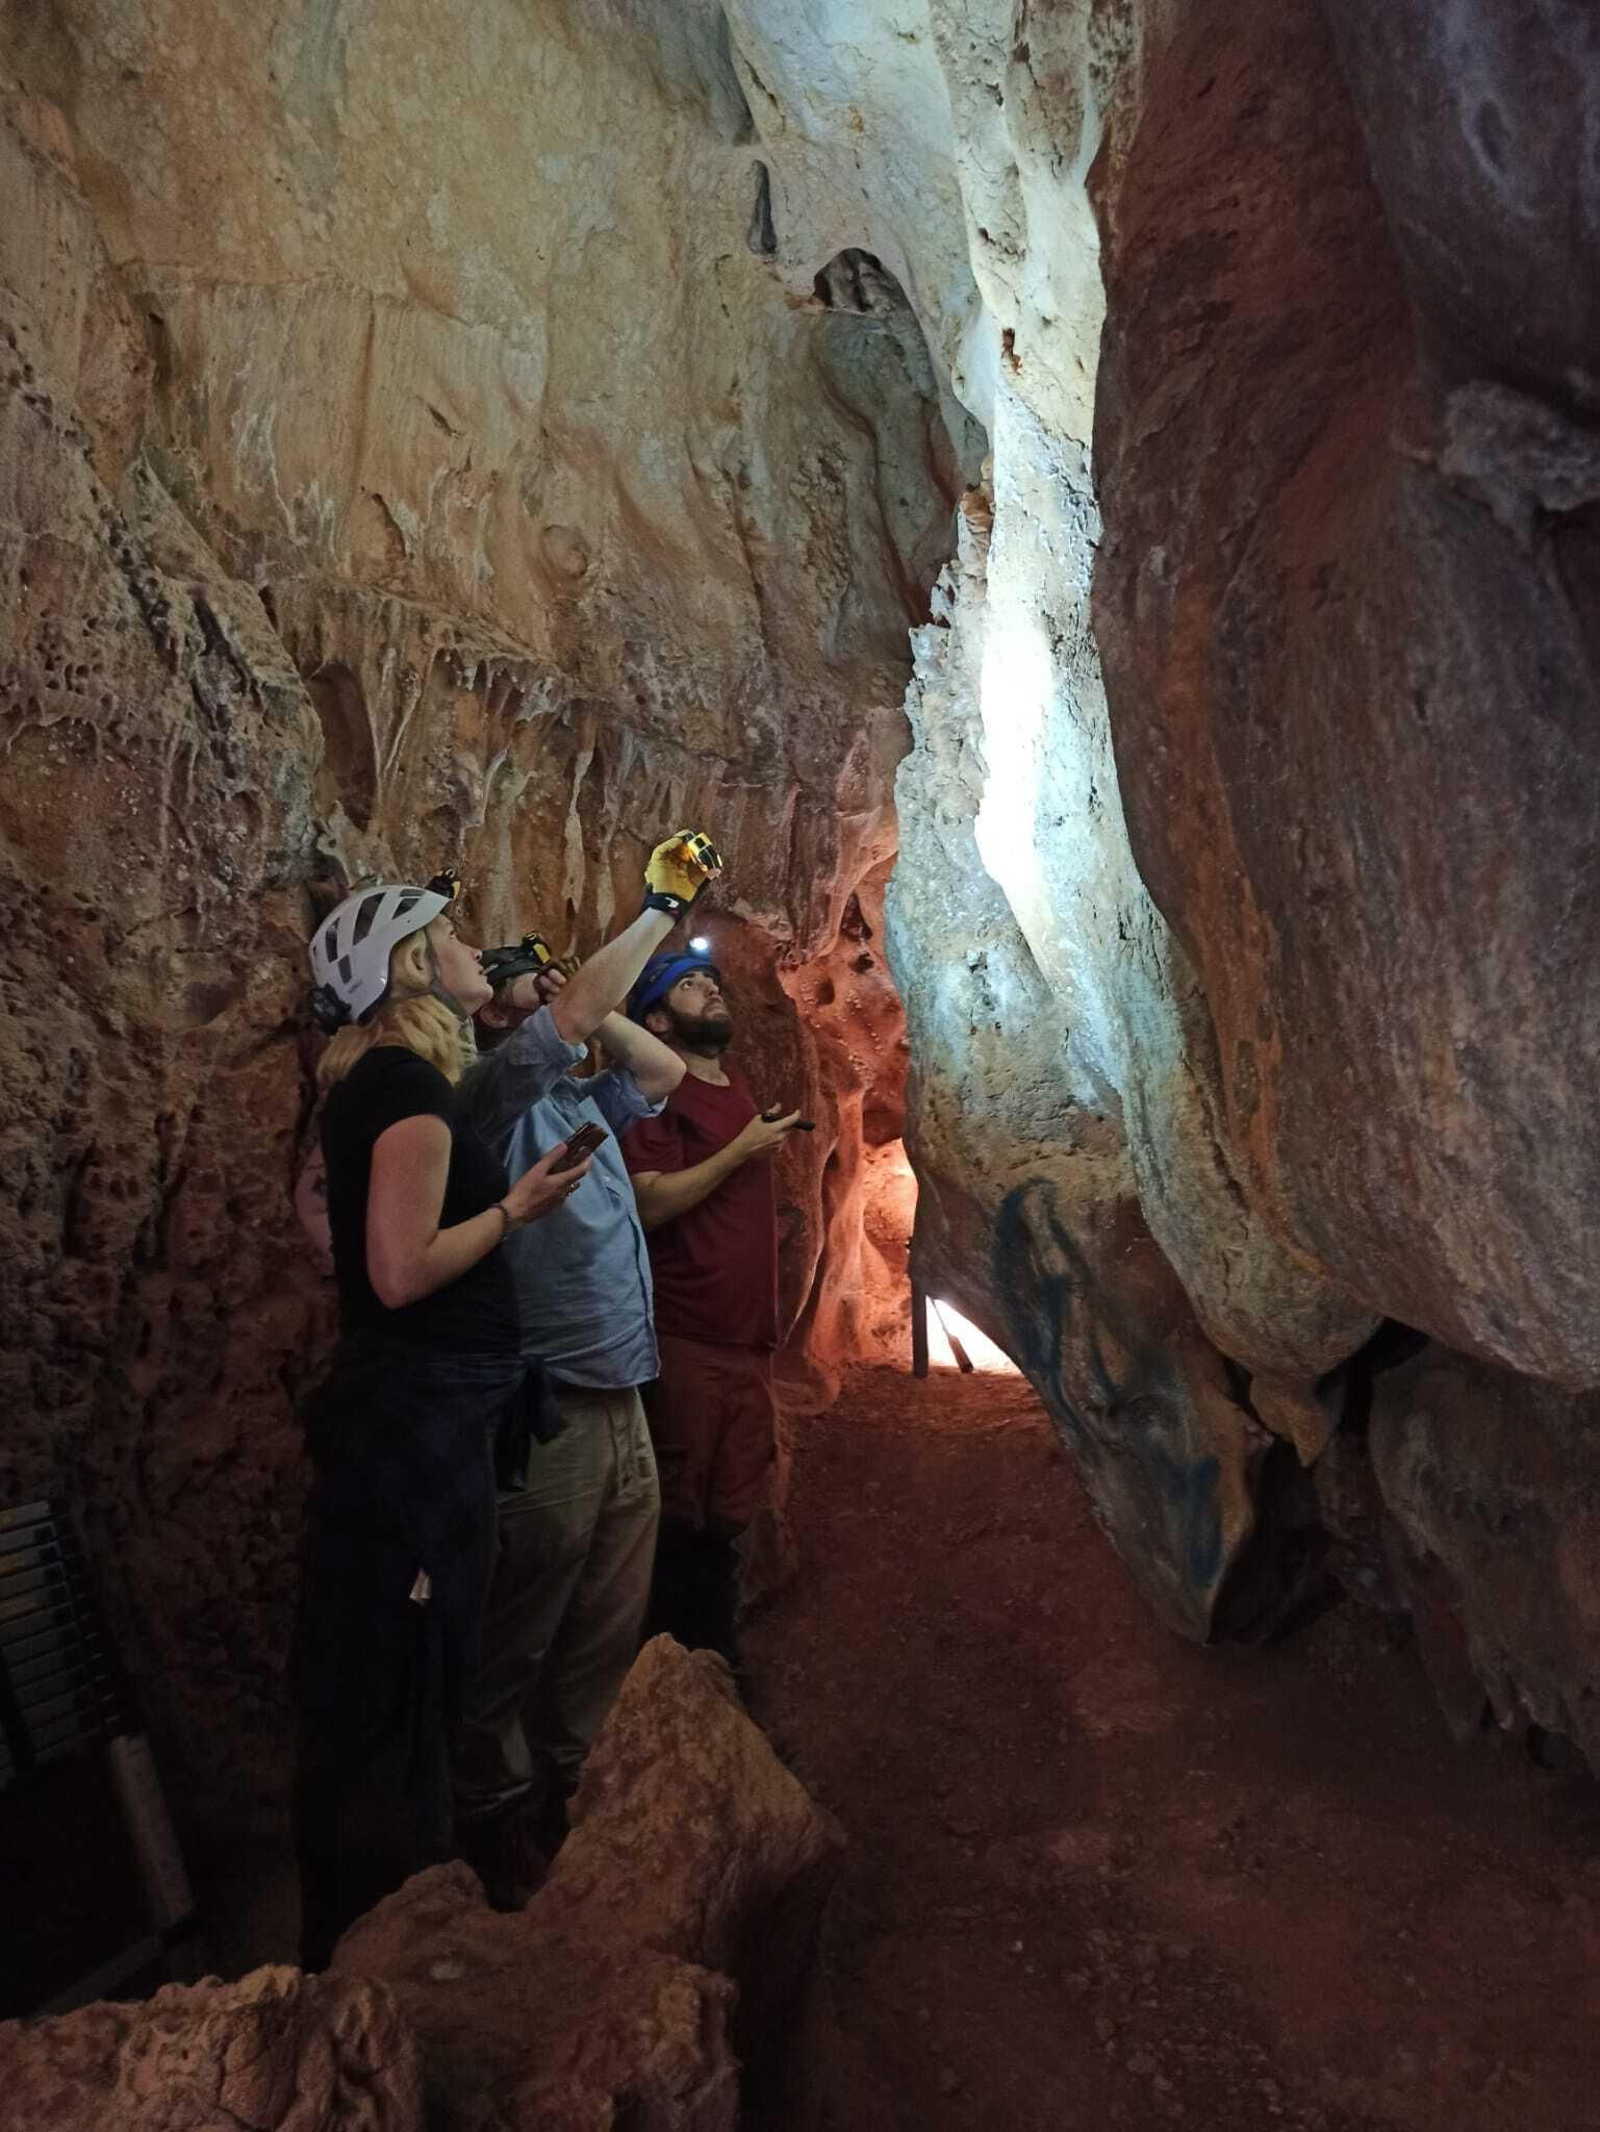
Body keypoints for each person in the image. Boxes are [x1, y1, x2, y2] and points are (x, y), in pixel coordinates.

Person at [292, 876, 591, 1968]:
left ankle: (375, 1918)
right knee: (413, 1665)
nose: (475, 947)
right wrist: (515, 1208)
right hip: (418, 1418)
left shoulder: (388, 1082)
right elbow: (401, 1267)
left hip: (408, 1410)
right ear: (412, 964)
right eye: (450, 934)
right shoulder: (409, 1087)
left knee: (387, 1663)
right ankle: (395, 1934)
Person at [450, 831, 721, 1905]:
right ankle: (496, 1843)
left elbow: (657, 1067)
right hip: (550, 1405)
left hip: (621, 1399)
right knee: (515, 1638)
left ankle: (576, 1816)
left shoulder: (573, 1098)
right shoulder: (491, 1097)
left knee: (605, 1628)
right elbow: (553, 1031)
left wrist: (582, 999)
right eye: (508, 970)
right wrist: (654, 908)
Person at [621, 946, 801, 1673]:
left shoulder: (735, 1086)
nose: (710, 990)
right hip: (687, 1334)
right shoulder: (651, 1092)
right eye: (689, 987)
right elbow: (649, 1200)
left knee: (726, 1521)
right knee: (676, 1521)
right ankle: (667, 1684)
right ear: (656, 1019)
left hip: (746, 1342)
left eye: (711, 982)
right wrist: (740, 1151)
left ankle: (715, 1676)